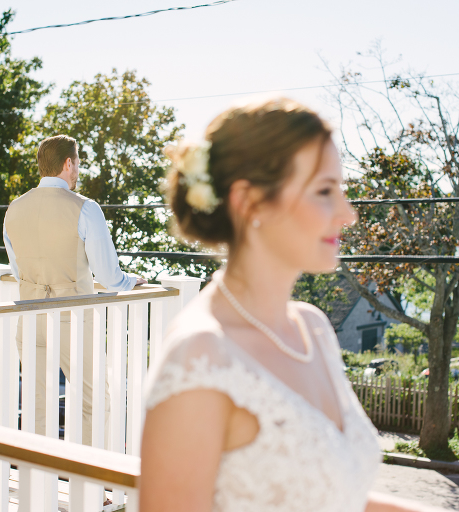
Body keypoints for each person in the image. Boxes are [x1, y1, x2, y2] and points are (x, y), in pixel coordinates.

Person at [140, 98, 437, 512]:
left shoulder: (313, 329)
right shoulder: (201, 356)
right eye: (323, 191)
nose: (348, 214)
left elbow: (333, 496)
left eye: (342, 190)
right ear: (250, 202)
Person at [3, 134, 146, 444]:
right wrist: (129, 281)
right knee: (93, 402)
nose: (78, 169)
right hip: (73, 319)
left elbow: (18, 270)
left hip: (29, 318)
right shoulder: (85, 208)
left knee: (37, 405)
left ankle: (38, 483)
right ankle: (89, 491)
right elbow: (107, 275)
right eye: (78, 162)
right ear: (68, 163)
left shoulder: (15, 208)